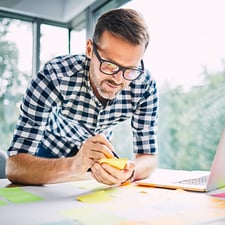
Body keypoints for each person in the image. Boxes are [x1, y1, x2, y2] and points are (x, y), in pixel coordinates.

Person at [6, 8, 158, 185]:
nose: (118, 80)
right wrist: (74, 165)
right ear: (89, 50)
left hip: (97, 159)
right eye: (109, 66)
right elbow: (14, 166)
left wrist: (128, 172)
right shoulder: (55, 75)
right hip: (47, 153)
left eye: (130, 70)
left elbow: (148, 157)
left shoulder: (144, 85)